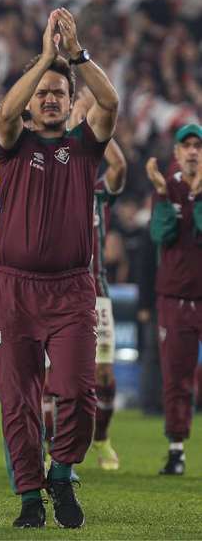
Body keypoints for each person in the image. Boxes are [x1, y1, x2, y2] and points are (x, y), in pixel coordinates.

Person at [0, 8, 119, 528]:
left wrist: (75, 54)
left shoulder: (85, 147)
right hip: (13, 290)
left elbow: (109, 101)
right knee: (18, 401)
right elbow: (2, 115)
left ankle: (62, 472)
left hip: (70, 291)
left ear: (70, 105)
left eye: (58, 93)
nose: (48, 98)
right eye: (41, 92)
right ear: (31, 103)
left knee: (79, 392)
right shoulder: (13, 143)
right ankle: (28, 499)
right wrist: (46, 57)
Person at [66, 90, 128, 471]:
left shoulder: (99, 193)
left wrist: (97, 123)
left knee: (103, 371)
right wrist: (77, 119)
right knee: (54, 373)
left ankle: (101, 439)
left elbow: (118, 168)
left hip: (96, 290)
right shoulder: (58, 181)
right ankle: (52, 442)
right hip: (59, 286)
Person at [146, 123, 202, 476]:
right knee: (177, 377)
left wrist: (196, 198)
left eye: (198, 145)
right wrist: (167, 195)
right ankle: (177, 449)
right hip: (176, 298)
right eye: (188, 146)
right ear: (177, 153)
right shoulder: (165, 188)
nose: (194, 151)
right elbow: (160, 232)